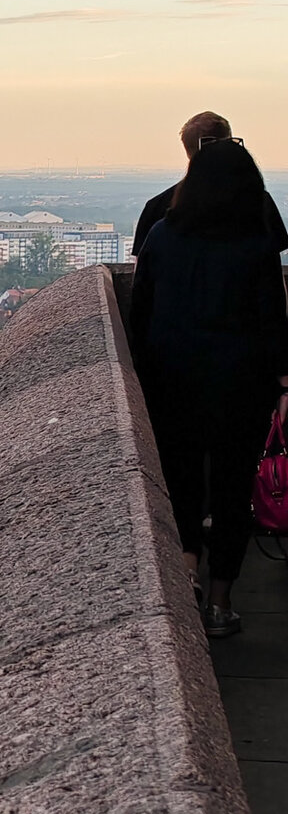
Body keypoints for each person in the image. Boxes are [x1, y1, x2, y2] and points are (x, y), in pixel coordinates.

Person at [129, 137, 288, 637]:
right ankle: (221, 603)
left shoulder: (161, 236)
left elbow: (141, 313)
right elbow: (272, 322)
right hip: (241, 384)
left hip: (173, 378)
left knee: (179, 479)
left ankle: (186, 570)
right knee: (231, 488)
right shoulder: (257, 246)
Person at [133, 110, 288, 255]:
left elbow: (141, 276)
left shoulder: (156, 208)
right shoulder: (258, 202)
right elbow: (273, 272)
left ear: (188, 149)